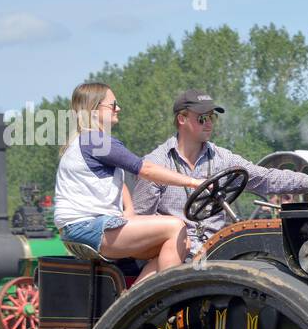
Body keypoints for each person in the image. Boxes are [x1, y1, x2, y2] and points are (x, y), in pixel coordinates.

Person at [131, 89, 308, 255]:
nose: (210, 124)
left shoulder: (223, 159)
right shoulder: (155, 165)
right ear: (182, 119)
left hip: (220, 250)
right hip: (177, 257)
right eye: (202, 118)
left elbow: (267, 178)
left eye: (212, 117)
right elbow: (141, 225)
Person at [53, 82, 204, 284]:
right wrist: (194, 182)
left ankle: (133, 303)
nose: (118, 108)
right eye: (113, 104)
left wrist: (130, 210)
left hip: (79, 228)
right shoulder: (96, 141)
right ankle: (169, 301)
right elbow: (145, 170)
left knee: (181, 244)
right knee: (175, 226)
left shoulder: (84, 141)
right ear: (94, 109)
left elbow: (115, 182)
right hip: (87, 227)